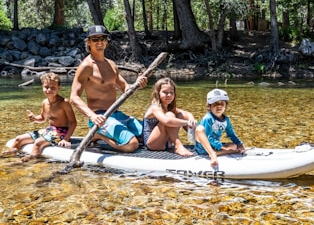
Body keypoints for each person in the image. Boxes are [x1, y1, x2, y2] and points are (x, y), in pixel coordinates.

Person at [70, 25, 147, 153]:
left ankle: (111, 136)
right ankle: (99, 136)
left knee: (151, 135)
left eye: (103, 38)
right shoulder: (86, 66)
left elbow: (125, 88)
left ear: (107, 41)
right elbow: (74, 97)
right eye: (95, 39)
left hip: (117, 115)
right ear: (88, 42)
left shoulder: (111, 64)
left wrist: (137, 84)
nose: (99, 42)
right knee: (132, 145)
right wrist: (92, 116)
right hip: (100, 117)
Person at [1, 72, 77, 162]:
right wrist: (34, 118)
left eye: (53, 88)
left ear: (59, 88)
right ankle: (8, 155)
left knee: (38, 143)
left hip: (61, 131)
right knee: (19, 139)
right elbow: (42, 118)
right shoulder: (45, 102)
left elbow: (73, 122)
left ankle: (30, 159)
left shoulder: (64, 103)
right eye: (46, 87)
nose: (49, 90)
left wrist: (65, 139)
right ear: (42, 87)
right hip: (49, 130)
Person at [143, 77, 195, 157]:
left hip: (167, 143)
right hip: (153, 144)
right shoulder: (155, 107)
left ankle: (197, 141)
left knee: (180, 115)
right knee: (170, 115)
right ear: (158, 93)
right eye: (165, 92)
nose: (169, 95)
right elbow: (166, 121)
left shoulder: (169, 107)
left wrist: (191, 119)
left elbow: (187, 114)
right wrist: (186, 122)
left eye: (171, 92)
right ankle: (178, 146)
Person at [194, 88, 246, 167]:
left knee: (234, 145)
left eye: (222, 103)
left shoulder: (226, 120)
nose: (219, 106)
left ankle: (219, 152)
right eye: (215, 103)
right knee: (199, 128)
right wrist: (222, 146)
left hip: (215, 145)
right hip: (203, 147)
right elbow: (208, 137)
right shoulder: (208, 118)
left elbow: (231, 134)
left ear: (226, 105)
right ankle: (212, 154)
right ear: (209, 106)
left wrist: (239, 144)